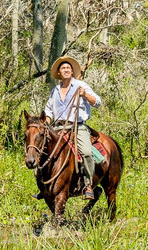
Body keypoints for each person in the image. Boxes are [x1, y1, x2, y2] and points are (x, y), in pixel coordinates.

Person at [43, 55, 101, 199]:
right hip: (58, 127)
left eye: (68, 67)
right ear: (59, 72)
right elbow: (49, 110)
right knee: (41, 151)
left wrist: (85, 95)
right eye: (63, 68)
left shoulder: (81, 86)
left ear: (72, 71)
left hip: (77, 127)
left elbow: (97, 102)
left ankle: (88, 184)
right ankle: (44, 186)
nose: (66, 70)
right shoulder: (55, 90)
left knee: (86, 152)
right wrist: (46, 123)